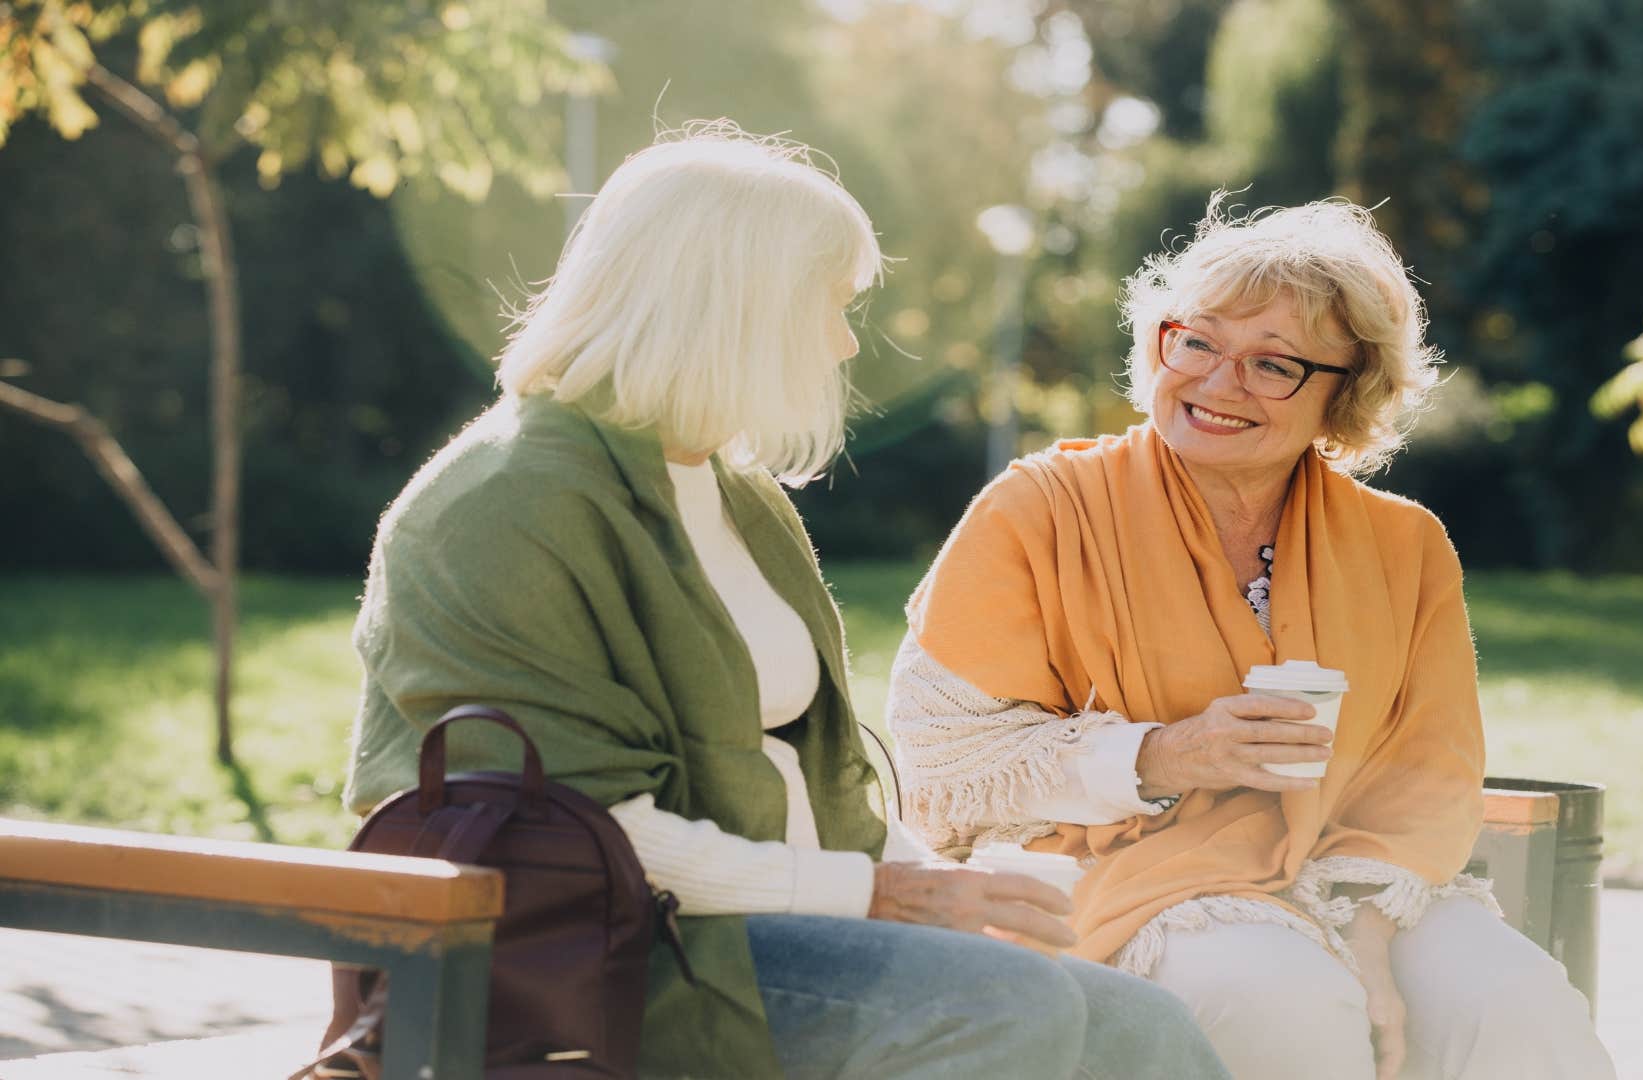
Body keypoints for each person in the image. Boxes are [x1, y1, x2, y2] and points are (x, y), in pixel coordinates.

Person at [344, 123, 1229, 1079]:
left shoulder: (735, 494)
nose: (846, 342)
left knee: (1146, 1029)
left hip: (781, 926)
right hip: (613, 957)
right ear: (734, 304)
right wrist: (881, 896)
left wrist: (939, 884)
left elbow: (812, 784)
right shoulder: (502, 506)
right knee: (999, 1004)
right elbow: (578, 835)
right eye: (830, 305)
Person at [889, 196, 1617, 1079]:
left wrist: (1368, 937)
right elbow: (945, 760)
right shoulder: (1038, 509)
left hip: (1349, 868)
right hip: (1118, 873)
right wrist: (1163, 756)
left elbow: (1426, 771)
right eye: (1197, 342)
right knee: (1277, 997)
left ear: (1347, 392)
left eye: (1272, 364)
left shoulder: (1405, 544)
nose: (1218, 383)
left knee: (1515, 1001)